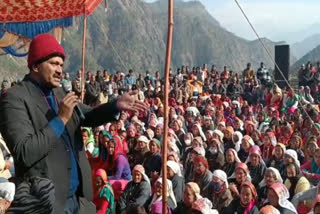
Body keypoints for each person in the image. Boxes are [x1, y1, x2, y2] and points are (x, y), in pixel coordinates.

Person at [0, 34, 146, 214]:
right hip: (48, 203)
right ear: (35, 66)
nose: (60, 70)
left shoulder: (59, 92)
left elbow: (88, 116)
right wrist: (60, 119)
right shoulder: (14, 98)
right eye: (53, 64)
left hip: (79, 199)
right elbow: (25, 151)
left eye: (61, 65)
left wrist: (115, 105)